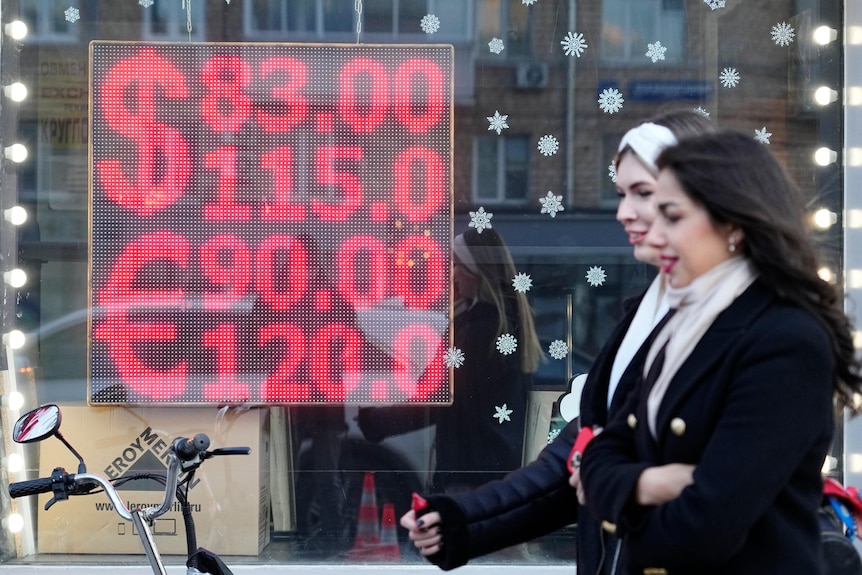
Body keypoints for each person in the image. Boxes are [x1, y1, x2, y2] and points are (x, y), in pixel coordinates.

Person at [398, 109, 714, 572]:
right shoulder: (644, 316)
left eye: (642, 193)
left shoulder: (759, 323)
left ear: (703, 192)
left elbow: (736, 489)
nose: (623, 212)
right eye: (622, 193)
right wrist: (461, 522)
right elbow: (570, 461)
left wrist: (611, 479)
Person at [579, 130, 862, 575]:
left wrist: (624, 504)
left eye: (671, 217)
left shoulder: (785, 338)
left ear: (732, 225)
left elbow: (706, 525)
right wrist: (651, 482)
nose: (655, 236)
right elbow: (600, 452)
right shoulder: (686, 320)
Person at [357, 226, 544, 493]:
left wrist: (374, 422)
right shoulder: (506, 323)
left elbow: (438, 399)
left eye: (456, 264)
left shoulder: (476, 332)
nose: (450, 273)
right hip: (497, 468)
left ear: (474, 270)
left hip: (469, 474)